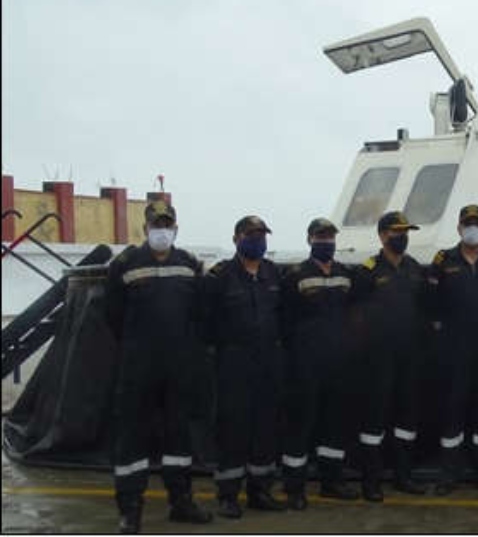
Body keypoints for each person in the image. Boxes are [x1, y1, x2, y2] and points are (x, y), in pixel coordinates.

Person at [105, 200, 212, 533]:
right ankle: (130, 510)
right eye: (156, 225)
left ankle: (180, 502)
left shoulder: (190, 265)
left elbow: (199, 314)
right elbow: (113, 315)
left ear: (175, 229)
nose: (161, 231)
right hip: (138, 367)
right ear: (145, 229)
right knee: (131, 438)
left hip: (179, 367)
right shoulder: (123, 265)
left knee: (179, 436)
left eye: (167, 225)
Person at [205, 215, 288, 518]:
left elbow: (283, 317)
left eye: (262, 235)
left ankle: (260, 490)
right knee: (233, 430)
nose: (258, 240)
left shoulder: (273, 274)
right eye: (251, 235)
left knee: (265, 428)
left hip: (268, 362)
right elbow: (206, 321)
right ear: (236, 239)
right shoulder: (220, 276)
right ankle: (228, 494)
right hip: (234, 364)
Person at [427, 204, 478, 495]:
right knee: (453, 413)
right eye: (467, 224)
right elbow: (431, 305)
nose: (472, 228)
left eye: (477, 223)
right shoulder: (443, 260)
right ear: (459, 228)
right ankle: (449, 475)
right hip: (454, 353)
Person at [279, 218, 360, 509]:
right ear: (310, 239)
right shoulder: (296, 276)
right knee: (300, 427)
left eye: (330, 236)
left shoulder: (345, 274)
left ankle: (332, 481)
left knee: (334, 426)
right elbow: (284, 323)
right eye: (321, 236)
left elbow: (353, 316)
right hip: (306, 367)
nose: (327, 241)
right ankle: (294, 488)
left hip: (338, 366)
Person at [350, 211, 429, 501]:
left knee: (406, 419)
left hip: (408, 357)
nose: (402, 237)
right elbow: (355, 315)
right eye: (397, 232)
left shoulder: (414, 269)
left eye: (406, 231)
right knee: (374, 420)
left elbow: (423, 310)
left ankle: (403, 476)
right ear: (383, 235)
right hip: (377, 359)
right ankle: (371, 482)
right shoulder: (368, 271)